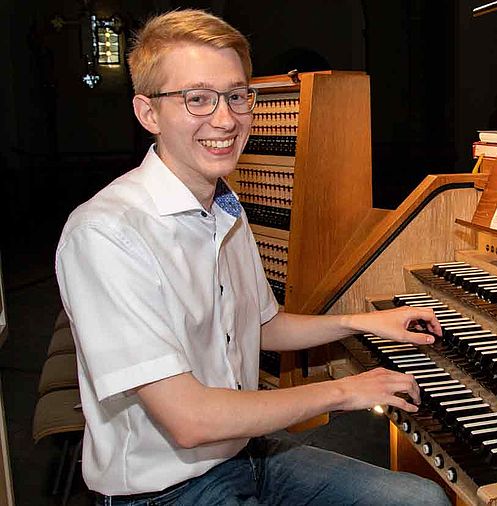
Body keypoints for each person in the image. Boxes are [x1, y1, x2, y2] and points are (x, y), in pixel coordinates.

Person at [55, 9, 450, 506]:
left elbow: (263, 326)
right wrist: (346, 391)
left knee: (421, 500)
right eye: (197, 99)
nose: (225, 119)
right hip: (162, 493)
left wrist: (364, 323)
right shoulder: (106, 234)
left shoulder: (224, 205)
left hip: (245, 456)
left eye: (237, 95)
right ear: (148, 113)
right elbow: (190, 420)